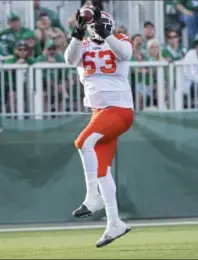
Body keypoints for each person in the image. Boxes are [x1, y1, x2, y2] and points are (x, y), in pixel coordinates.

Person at [64, 7, 133, 247]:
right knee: (102, 170)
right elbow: (69, 60)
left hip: (119, 109)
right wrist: (77, 33)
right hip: (100, 113)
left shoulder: (121, 40)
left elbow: (125, 53)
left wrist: (108, 36)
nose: (97, 30)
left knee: (83, 142)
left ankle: (92, 196)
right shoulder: (82, 44)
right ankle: (115, 223)